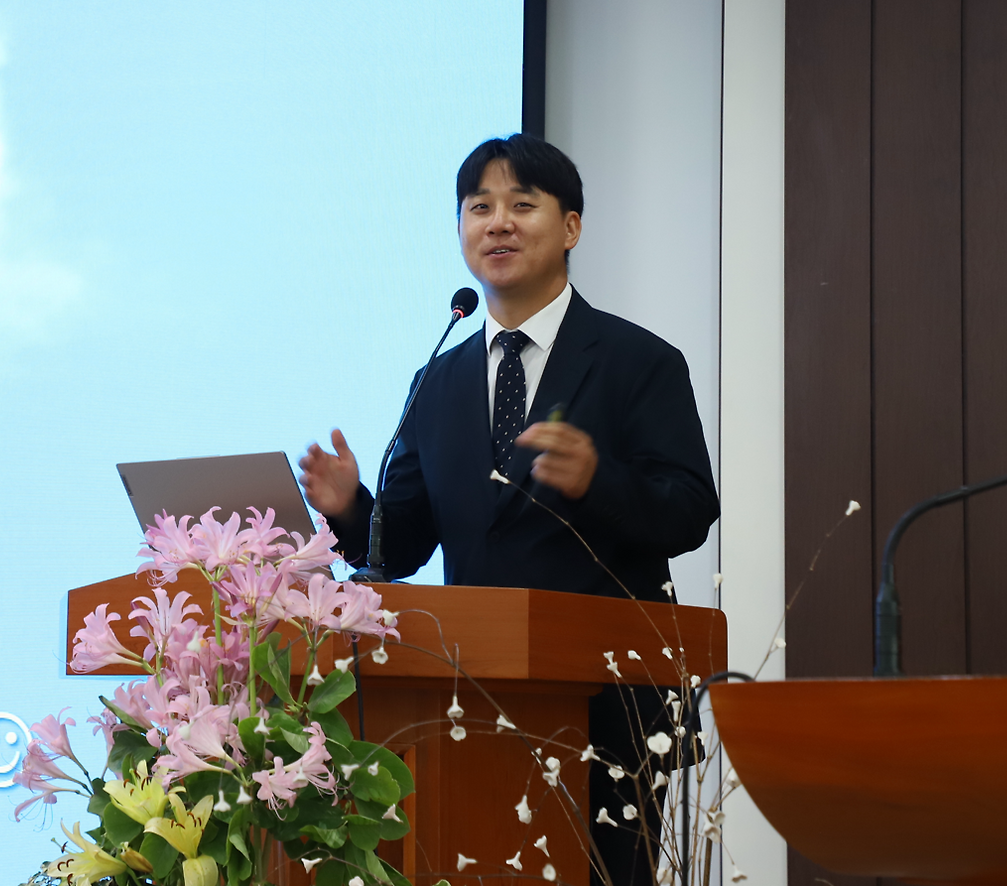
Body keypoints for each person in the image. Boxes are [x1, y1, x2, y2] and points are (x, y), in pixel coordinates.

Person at [298, 133, 719, 885]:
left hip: (608, 711)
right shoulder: (438, 380)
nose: (497, 222)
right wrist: (352, 510)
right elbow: (405, 544)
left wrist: (599, 480)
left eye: (522, 205)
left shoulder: (638, 361)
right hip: (465, 701)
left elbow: (689, 511)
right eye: (479, 207)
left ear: (571, 227)